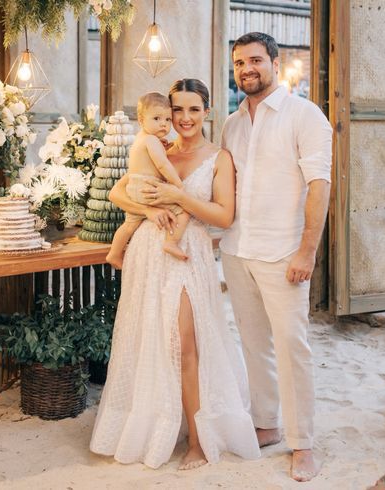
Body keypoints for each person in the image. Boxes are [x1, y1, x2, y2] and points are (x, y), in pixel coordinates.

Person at [90, 79, 261, 470]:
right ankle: (161, 423)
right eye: (177, 110)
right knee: (152, 339)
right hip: (148, 251)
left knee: (187, 344)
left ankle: (199, 443)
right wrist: (150, 211)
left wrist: (179, 197)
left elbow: (223, 215)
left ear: (207, 112)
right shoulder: (156, 148)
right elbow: (118, 194)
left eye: (193, 109)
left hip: (187, 253)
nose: (184, 118)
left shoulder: (219, 158)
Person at [220, 32, 332, 482]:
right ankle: (266, 424)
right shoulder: (230, 123)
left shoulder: (305, 116)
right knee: (254, 345)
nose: (247, 69)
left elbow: (319, 186)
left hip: (284, 252)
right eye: (239, 63)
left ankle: (302, 442)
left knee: (292, 347)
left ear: (274, 61)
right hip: (236, 248)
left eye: (254, 60)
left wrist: (307, 250)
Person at [105, 92, 190, 269]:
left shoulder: (141, 138)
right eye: (157, 118)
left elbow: (147, 159)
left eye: (167, 119)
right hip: (148, 187)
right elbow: (162, 165)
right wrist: (178, 185)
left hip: (134, 187)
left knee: (129, 225)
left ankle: (114, 254)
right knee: (183, 211)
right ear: (141, 120)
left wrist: (161, 146)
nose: (163, 124)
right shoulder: (152, 140)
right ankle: (171, 242)